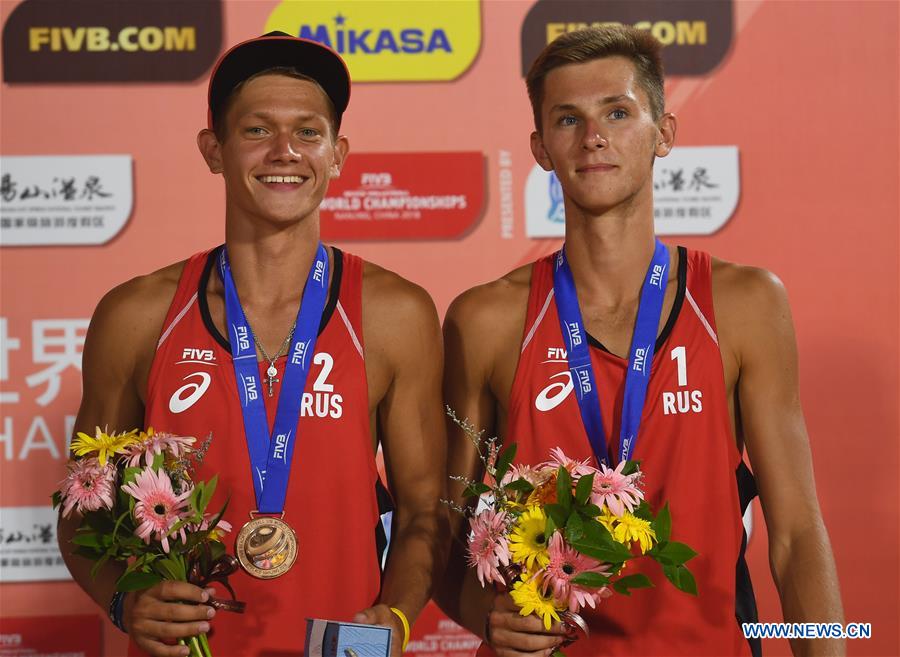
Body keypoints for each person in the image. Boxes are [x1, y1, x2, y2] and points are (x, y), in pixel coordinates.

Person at [436, 25, 843, 657]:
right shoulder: (484, 319)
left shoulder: (745, 304)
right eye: (568, 119)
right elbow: (439, 531)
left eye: (617, 112)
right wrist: (484, 614)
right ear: (541, 147)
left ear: (665, 134)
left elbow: (795, 534)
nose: (593, 137)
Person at [58, 32, 448, 657]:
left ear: (339, 152)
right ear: (212, 150)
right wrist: (125, 601)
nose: (285, 151)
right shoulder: (136, 315)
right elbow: (82, 512)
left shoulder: (396, 314)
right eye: (257, 130)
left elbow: (427, 512)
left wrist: (396, 618)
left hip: (340, 650)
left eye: (309, 132)